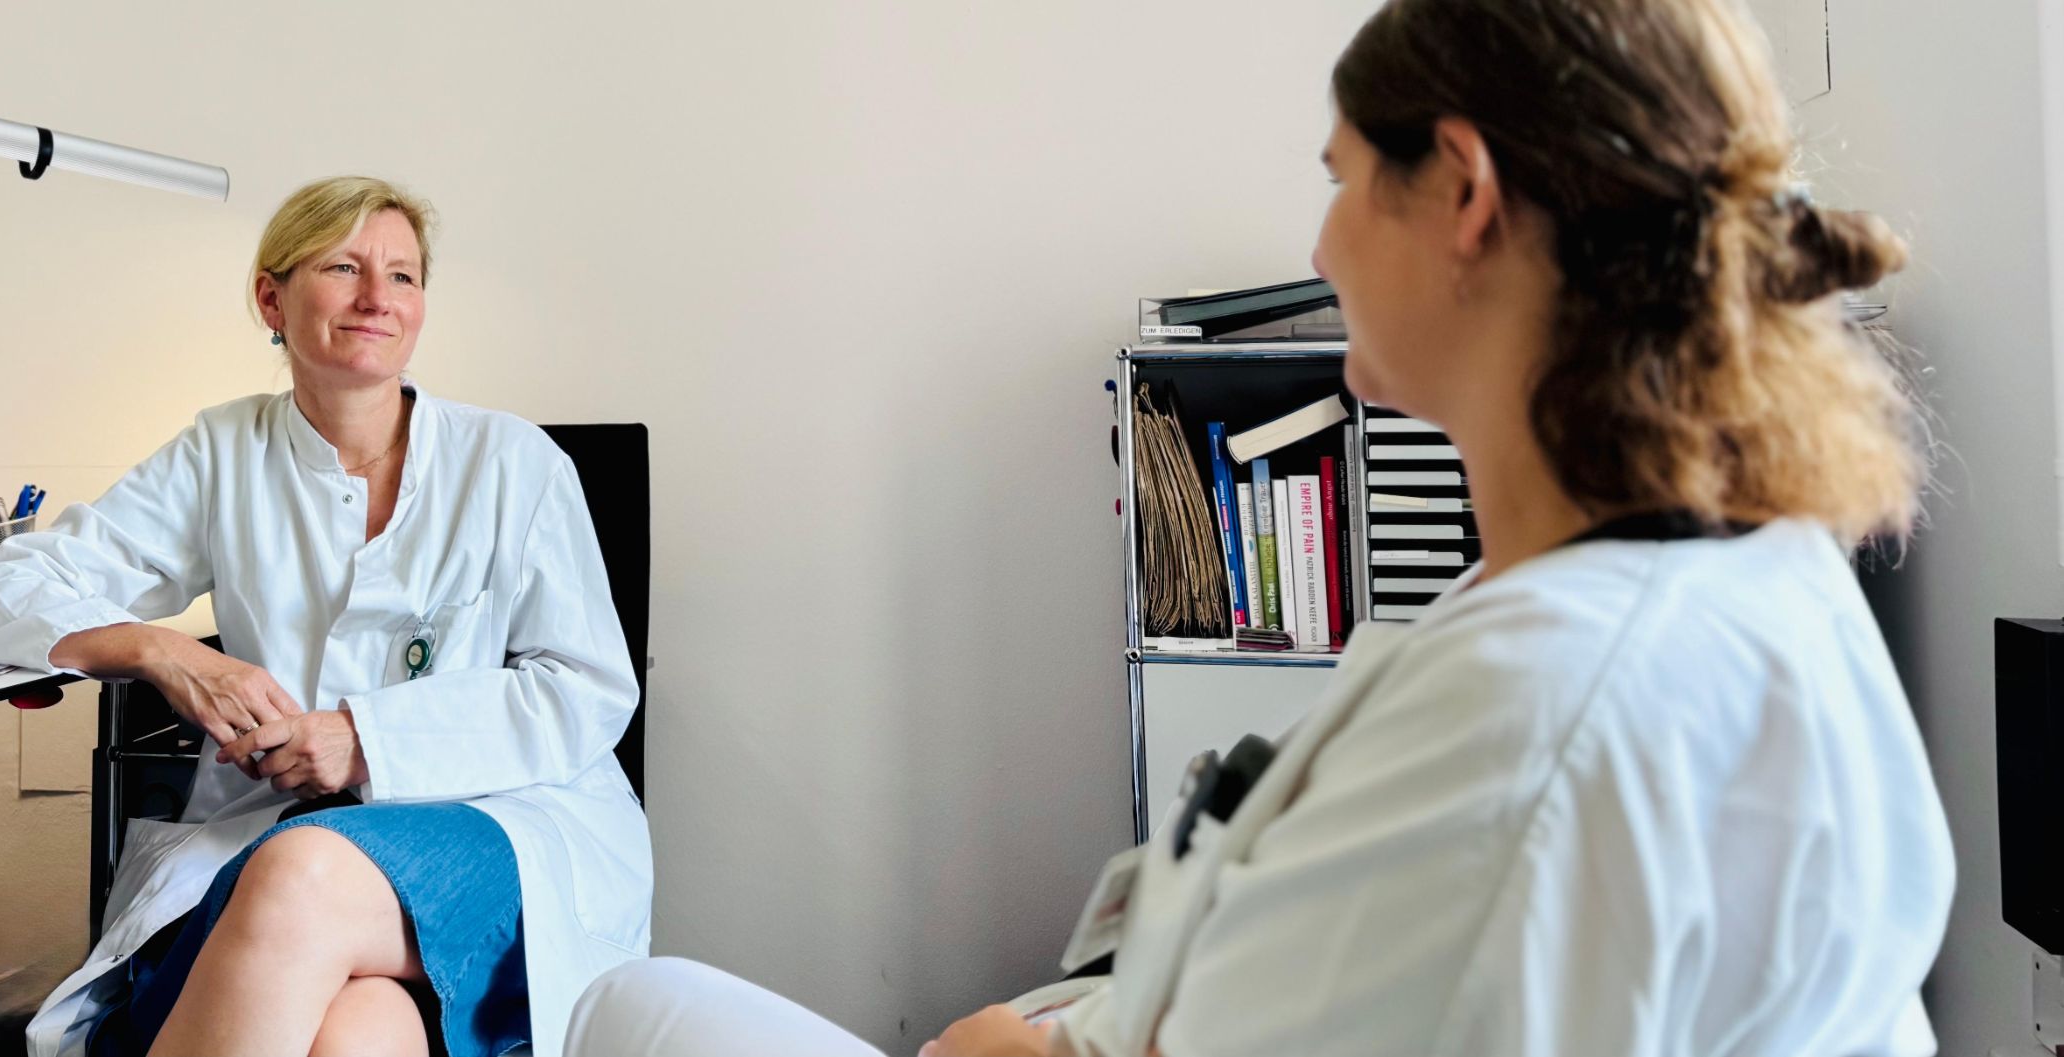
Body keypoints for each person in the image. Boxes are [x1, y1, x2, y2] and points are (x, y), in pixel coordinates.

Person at [562, 0, 1954, 1054]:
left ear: (1463, 193)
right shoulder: (1740, 572)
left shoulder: (1539, 704)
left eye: (1341, 179)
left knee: (635, 1007)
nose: (1320, 247)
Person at [0, 175, 649, 1057]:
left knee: (301, 873)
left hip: (503, 825)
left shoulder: (514, 463)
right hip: (282, 842)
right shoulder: (223, 452)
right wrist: (164, 650)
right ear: (271, 299)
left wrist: (366, 740)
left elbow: (585, 689)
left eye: (402, 275)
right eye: (345, 267)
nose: (377, 297)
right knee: (359, 1029)